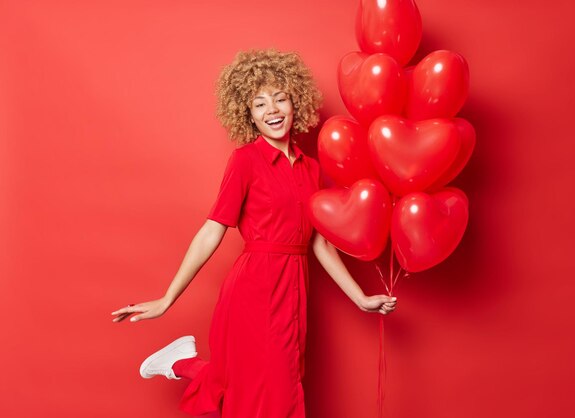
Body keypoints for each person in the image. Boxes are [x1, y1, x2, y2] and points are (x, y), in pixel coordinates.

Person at [111, 49, 397, 418]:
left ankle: (181, 362)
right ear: (248, 115)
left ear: (296, 101)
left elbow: (319, 241)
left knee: (261, 383)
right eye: (259, 104)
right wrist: (168, 298)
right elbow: (212, 230)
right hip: (254, 288)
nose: (272, 110)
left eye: (280, 99)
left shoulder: (311, 168)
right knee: (270, 391)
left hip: (295, 287)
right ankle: (181, 362)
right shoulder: (245, 161)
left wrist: (359, 298)